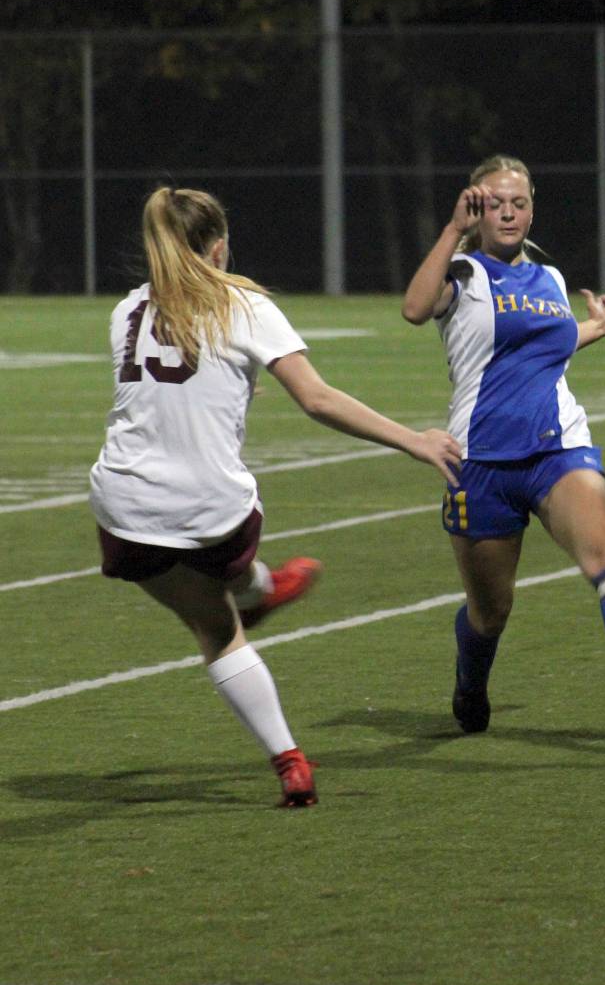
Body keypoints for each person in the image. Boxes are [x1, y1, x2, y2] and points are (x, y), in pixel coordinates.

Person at [90, 186, 461, 808]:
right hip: (213, 510)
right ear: (220, 247)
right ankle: (260, 603)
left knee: (208, 620)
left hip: (124, 507)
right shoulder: (244, 302)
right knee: (223, 615)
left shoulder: (126, 310)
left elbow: (163, 384)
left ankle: (286, 741)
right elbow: (316, 398)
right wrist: (414, 440)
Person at [402, 154, 605, 736]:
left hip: (559, 448)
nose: (508, 213)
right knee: (490, 613)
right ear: (475, 206)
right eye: (494, 203)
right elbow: (413, 309)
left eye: (519, 203)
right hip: (480, 462)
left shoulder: (549, 278)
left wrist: (594, 329)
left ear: (532, 208)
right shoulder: (461, 274)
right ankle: (471, 683)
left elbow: (542, 347)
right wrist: (454, 229)